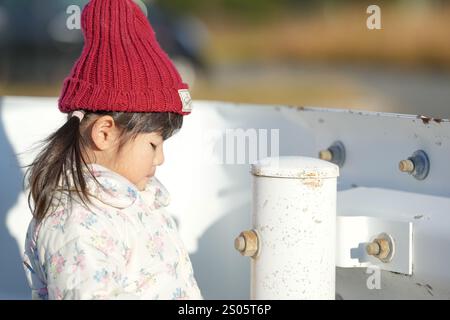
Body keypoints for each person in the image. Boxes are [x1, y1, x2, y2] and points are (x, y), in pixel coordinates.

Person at [21, 0, 202, 300]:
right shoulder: (75, 223)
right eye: (154, 144)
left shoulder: (131, 203)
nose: (160, 158)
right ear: (105, 132)